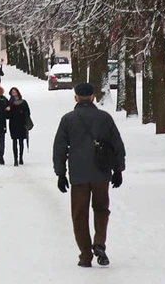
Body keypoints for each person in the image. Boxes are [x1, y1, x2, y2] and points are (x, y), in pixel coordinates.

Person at [53, 82, 125, 269]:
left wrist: (61, 174)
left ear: (76, 97)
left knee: (79, 214)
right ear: (93, 97)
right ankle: (99, 242)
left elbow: (59, 149)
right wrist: (118, 170)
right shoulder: (105, 118)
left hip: (78, 175)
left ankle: (86, 255)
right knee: (101, 209)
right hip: (102, 173)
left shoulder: (68, 119)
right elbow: (118, 146)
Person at [7, 87, 31, 166]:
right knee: (14, 141)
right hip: (13, 124)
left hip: (21, 124)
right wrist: (8, 110)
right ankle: (15, 159)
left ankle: (21, 157)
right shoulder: (9, 103)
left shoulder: (23, 102)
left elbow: (28, 112)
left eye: (15, 92)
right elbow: (7, 116)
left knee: (21, 142)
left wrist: (22, 113)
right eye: (12, 92)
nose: (14, 94)